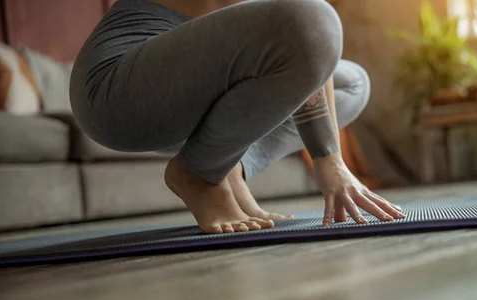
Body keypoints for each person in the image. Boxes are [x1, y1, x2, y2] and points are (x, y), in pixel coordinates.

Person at [70, 0, 406, 234]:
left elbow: (314, 50)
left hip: (188, 97)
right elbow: (306, 31)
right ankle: (199, 174)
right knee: (317, 21)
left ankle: (228, 165)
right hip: (118, 93)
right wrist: (329, 158)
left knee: (353, 83)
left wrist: (331, 159)